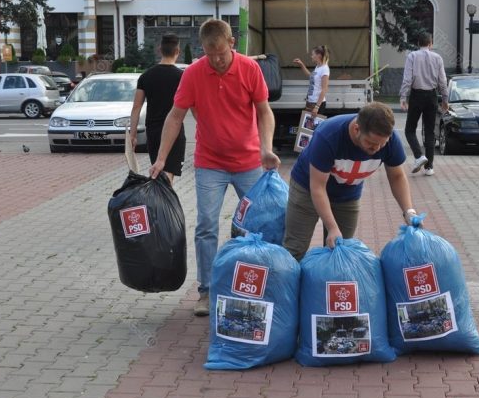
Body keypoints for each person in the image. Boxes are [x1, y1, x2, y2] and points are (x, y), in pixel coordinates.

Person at [149, 19, 281, 316]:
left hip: (248, 162)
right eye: (211, 54)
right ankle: (206, 291)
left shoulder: (249, 69)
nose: (218, 60)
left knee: (259, 225)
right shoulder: (193, 74)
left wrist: (266, 148)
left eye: (221, 53)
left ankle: (263, 286)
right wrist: (161, 159)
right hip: (210, 163)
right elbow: (174, 117)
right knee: (206, 226)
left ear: (231, 43)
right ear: (202, 50)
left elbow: (264, 112)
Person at [283, 102, 418, 260]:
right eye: (371, 143)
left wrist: (409, 212)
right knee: (296, 248)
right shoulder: (329, 135)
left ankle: (327, 284)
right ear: (356, 129)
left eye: (382, 143)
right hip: (307, 189)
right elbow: (318, 187)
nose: (377, 148)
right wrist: (332, 227)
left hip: (346, 195)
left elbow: (397, 176)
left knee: (340, 250)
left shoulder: (390, 140)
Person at [129, 34, 186, 183]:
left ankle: (161, 203)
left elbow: (136, 107)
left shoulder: (146, 76)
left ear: (159, 50)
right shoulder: (182, 77)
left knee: (158, 172)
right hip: (175, 131)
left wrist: (132, 135)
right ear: (177, 51)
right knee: (167, 175)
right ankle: (163, 204)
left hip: (153, 132)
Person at [399, 32, 449, 177]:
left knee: (409, 129)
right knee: (429, 132)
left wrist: (403, 96)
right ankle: (429, 167)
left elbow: (407, 79)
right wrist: (445, 100)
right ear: (430, 44)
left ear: (418, 43)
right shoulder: (438, 58)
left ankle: (419, 156)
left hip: (416, 95)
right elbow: (442, 81)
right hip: (432, 96)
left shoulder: (412, 56)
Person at [293, 45, 330, 117]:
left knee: (314, 127)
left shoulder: (324, 69)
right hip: (311, 101)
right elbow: (311, 76)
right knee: (307, 127)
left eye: (313, 54)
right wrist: (301, 64)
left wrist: (317, 107)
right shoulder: (318, 67)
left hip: (316, 103)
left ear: (318, 55)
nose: (311, 56)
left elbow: (324, 89)